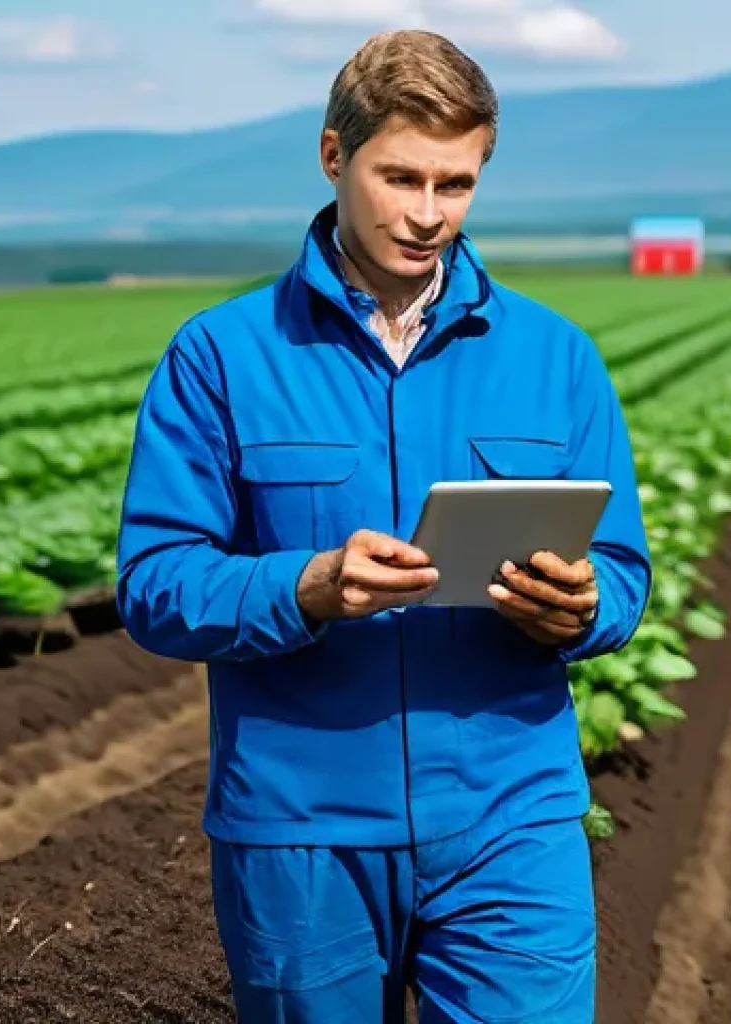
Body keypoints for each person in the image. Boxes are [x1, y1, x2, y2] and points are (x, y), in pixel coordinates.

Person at [115, 28, 651, 1024]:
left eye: (456, 183)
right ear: (332, 157)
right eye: (400, 176)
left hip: (510, 815)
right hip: (300, 824)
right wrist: (306, 586)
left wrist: (581, 605)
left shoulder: (555, 356)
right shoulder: (222, 356)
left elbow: (620, 569)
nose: (427, 214)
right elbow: (153, 582)